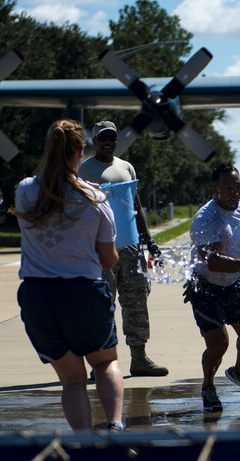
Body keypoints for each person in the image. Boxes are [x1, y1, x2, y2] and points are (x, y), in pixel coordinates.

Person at [12, 119, 125, 431]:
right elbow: (107, 259)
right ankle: (114, 426)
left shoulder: (24, 192)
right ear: (80, 152)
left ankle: (84, 442)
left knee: (72, 380)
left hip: (38, 298)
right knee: (104, 363)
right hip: (83, 293)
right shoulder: (96, 199)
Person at [79, 121, 168, 377]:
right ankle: (102, 363)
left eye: (112, 138)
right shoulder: (86, 170)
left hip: (131, 248)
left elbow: (135, 206)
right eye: (102, 138)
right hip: (100, 248)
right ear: (95, 141)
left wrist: (148, 240)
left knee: (137, 301)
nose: (107, 142)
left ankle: (139, 359)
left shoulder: (126, 166)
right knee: (102, 305)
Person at [184, 163, 240, 412]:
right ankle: (208, 387)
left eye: (238, 187)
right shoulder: (206, 219)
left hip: (234, 283)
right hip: (205, 287)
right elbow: (212, 262)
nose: (235, 193)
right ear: (215, 190)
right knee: (218, 345)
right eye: (228, 188)